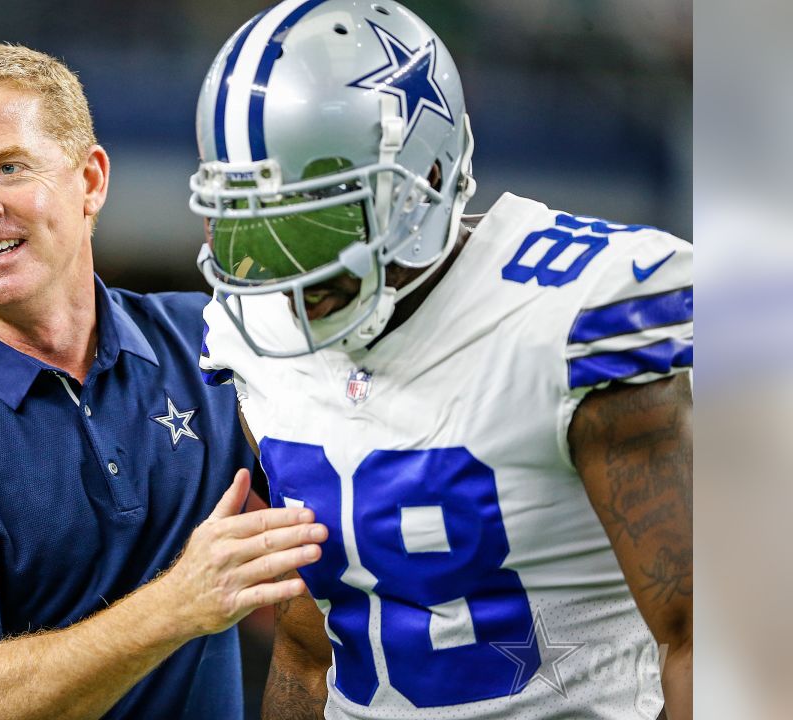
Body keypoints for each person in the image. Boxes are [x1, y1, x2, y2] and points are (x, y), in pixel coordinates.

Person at [191, 1, 691, 718]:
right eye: (258, 225)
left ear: (422, 175)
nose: (288, 272)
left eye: (317, 218)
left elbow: (704, 635)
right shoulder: (252, 340)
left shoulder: (575, 319)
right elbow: (311, 645)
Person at [0, 43, 330, 720]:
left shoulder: (215, 345)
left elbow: (330, 573)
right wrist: (178, 603)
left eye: (6, 168)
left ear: (91, 180)